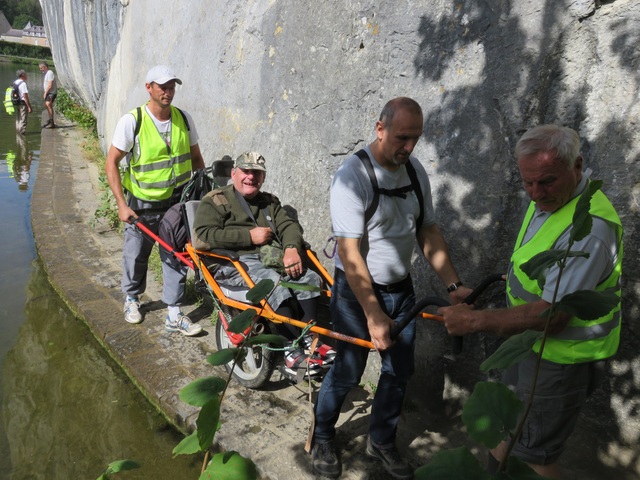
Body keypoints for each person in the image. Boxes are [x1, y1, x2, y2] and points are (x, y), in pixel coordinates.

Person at [440, 125, 623, 479]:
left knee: (535, 457)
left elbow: (554, 317)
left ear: (578, 165)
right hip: (530, 344)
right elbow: (542, 260)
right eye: (527, 183)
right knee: (507, 430)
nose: (536, 193)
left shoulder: (589, 230)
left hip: (558, 358)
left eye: (546, 181)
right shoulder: (555, 196)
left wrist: (474, 321)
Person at [311, 97, 472, 479]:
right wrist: (373, 314)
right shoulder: (352, 177)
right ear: (379, 128)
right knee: (348, 370)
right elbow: (350, 253)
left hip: (401, 289)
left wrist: (454, 284)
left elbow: (427, 230)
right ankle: (321, 435)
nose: (409, 147)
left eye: (416, 138)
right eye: (402, 137)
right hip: (356, 292)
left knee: (400, 369)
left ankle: (381, 440)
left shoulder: (415, 172)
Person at [192, 152, 336, 379]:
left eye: (257, 173)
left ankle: (311, 340)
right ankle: (291, 350)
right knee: (273, 284)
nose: (251, 177)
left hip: (270, 257)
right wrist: (249, 236)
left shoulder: (269, 202)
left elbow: (288, 225)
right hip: (232, 262)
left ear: (263, 177)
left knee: (308, 279)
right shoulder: (215, 200)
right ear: (234, 173)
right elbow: (202, 236)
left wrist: (290, 248)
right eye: (246, 171)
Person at [105, 65, 205, 336]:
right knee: (136, 254)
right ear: (148, 87)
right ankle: (132, 299)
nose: (168, 92)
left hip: (177, 204)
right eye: (163, 86)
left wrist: (200, 197)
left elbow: (196, 160)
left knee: (175, 255)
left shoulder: (184, 119)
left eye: (172, 86)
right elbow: (111, 162)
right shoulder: (133, 120)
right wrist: (121, 204)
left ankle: (174, 312)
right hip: (142, 205)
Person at [13, 70, 32, 135]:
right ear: (23, 74)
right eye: (26, 74)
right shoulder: (23, 84)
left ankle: (18, 132)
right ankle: (21, 134)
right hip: (23, 104)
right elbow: (25, 96)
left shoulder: (15, 82)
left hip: (16, 102)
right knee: (23, 119)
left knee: (18, 118)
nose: (27, 75)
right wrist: (29, 107)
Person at [39, 62, 57, 128]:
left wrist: (45, 93)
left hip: (51, 92)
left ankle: (52, 122)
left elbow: (50, 85)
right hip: (49, 92)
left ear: (45, 67)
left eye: (41, 68)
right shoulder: (47, 73)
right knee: (48, 105)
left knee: (48, 104)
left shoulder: (50, 73)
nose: (40, 69)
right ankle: (51, 120)